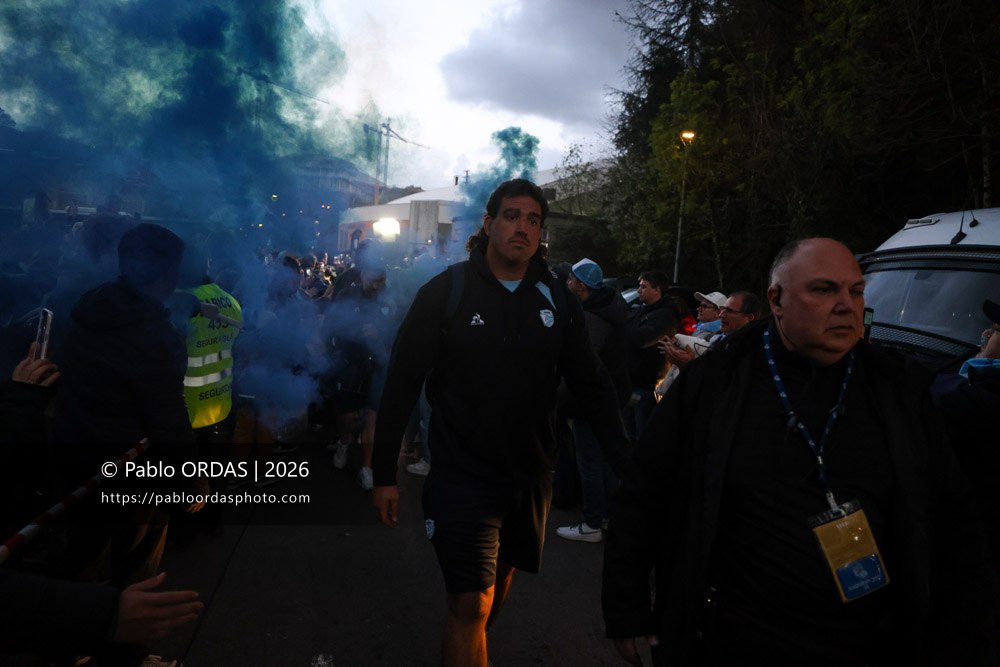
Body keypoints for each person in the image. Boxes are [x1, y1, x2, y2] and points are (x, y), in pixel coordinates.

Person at [603, 238, 995, 666]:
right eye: (824, 290)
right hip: (729, 639)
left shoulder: (898, 390)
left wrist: (965, 638)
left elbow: (954, 519)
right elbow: (646, 487)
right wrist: (627, 605)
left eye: (856, 291)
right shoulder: (719, 381)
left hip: (868, 644)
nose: (847, 305)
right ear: (777, 300)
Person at [370, 179, 629, 667]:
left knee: (496, 591)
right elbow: (402, 382)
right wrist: (384, 472)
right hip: (462, 475)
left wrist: (626, 463)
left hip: (530, 476)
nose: (523, 227)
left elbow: (592, 384)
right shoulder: (444, 292)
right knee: (472, 603)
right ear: (488, 225)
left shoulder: (558, 298)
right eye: (512, 216)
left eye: (534, 220)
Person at [556, 257, 631, 542]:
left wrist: (557, 401)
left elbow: (583, 365)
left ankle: (591, 524)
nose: (567, 283)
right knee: (606, 456)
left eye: (571, 279)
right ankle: (609, 514)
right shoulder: (610, 305)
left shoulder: (592, 317)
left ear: (582, 286)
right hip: (613, 394)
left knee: (589, 459)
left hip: (594, 400)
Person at [625, 270, 678, 440]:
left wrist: (623, 329)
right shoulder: (640, 310)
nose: (639, 290)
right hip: (631, 382)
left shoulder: (665, 315)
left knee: (642, 435)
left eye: (643, 287)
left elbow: (642, 338)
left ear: (657, 290)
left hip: (647, 384)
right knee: (627, 433)